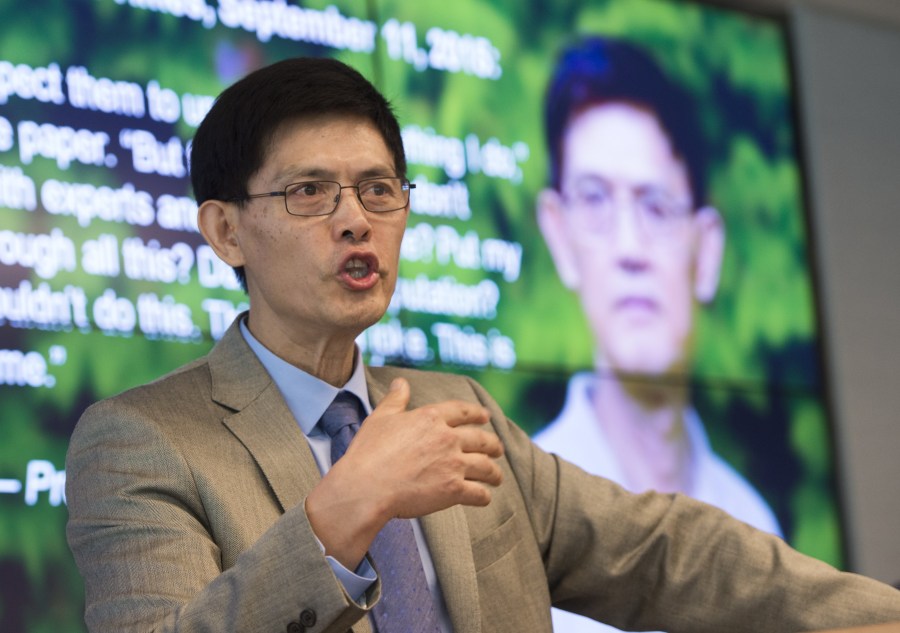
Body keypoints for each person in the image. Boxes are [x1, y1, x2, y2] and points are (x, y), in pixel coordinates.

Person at [65, 56, 900, 633]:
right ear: (224, 230)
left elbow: (660, 551)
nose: (356, 218)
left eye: (379, 189)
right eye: (310, 191)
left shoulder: (454, 407)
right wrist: (338, 519)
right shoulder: (141, 439)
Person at [533, 35, 783, 633]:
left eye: (655, 206)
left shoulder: (754, 524)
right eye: (594, 199)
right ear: (560, 236)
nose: (628, 249)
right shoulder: (518, 518)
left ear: (708, 250)